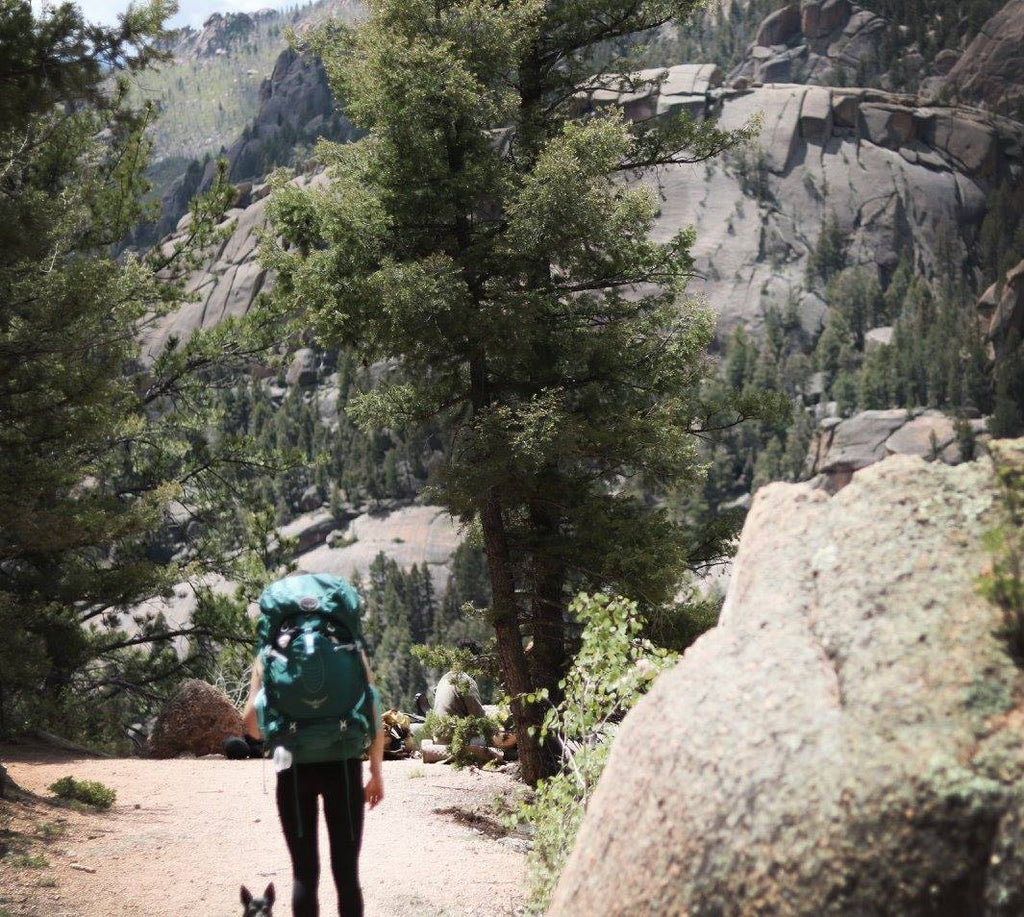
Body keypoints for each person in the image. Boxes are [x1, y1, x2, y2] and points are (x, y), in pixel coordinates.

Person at [243, 649, 385, 917]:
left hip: (292, 770)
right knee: (347, 874)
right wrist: (376, 772)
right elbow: (373, 707)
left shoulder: (271, 649)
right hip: (343, 766)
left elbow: (251, 724)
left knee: (304, 874)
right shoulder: (346, 641)